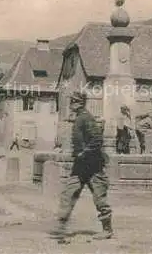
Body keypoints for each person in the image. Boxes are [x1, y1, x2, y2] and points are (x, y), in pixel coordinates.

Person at [49, 91, 113, 240]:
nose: (72, 104)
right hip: (80, 167)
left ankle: (107, 229)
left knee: (99, 198)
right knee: (68, 194)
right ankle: (61, 227)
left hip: (93, 167)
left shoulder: (86, 118)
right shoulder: (79, 118)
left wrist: (83, 154)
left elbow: (97, 140)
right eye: (72, 101)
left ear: (80, 103)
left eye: (74, 101)